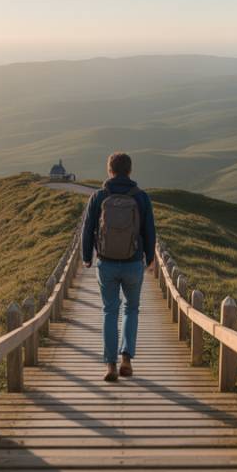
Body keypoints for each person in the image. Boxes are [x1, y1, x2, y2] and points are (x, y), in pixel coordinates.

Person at [81, 152, 156, 382]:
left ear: (109, 170)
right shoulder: (141, 197)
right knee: (131, 309)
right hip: (133, 262)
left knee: (109, 311)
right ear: (130, 170)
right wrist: (149, 258)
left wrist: (87, 257)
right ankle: (126, 359)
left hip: (107, 263)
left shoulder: (98, 196)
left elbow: (88, 228)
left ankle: (110, 365)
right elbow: (149, 230)